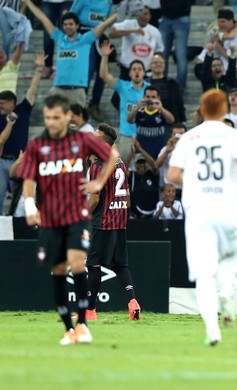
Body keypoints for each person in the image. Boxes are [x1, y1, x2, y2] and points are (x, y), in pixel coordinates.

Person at [17, 94, 119, 345]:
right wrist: (30, 205)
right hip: (50, 218)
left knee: (76, 263)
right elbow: (28, 179)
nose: (51, 122)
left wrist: (98, 182)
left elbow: (112, 156)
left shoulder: (82, 140)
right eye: (48, 117)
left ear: (67, 117)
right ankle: (68, 329)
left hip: (76, 215)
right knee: (59, 269)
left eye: (56, 117)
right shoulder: (37, 145)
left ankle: (82, 324)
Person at [167, 90, 237, 346]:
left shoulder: (188, 137)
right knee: (230, 258)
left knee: (203, 273)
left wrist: (194, 182)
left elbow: (173, 175)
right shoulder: (234, 135)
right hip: (229, 206)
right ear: (223, 109)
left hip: (199, 209)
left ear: (201, 109)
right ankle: (228, 292)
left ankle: (212, 330)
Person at [84, 123, 141, 321]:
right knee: (120, 265)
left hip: (102, 222)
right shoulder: (120, 163)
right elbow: (126, 194)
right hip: (119, 221)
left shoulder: (98, 165)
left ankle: (89, 311)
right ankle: (133, 302)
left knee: (93, 265)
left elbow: (94, 199)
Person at [23, 0, 117, 106]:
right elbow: (43, 19)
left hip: (76, 91)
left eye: (71, 24)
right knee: (54, 121)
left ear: (77, 26)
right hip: (57, 89)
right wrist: (28, 2)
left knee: (76, 123)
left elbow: (102, 26)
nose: (67, 27)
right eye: (65, 24)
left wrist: (117, 14)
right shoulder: (59, 38)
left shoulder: (85, 40)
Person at [0, 51, 45, 213]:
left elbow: (32, 91)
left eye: (3, 104)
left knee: (19, 196)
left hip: (19, 160)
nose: (1, 107)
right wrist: (9, 124)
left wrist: (39, 69)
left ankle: (16, 230)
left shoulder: (23, 110)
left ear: (13, 103)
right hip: (1, 161)